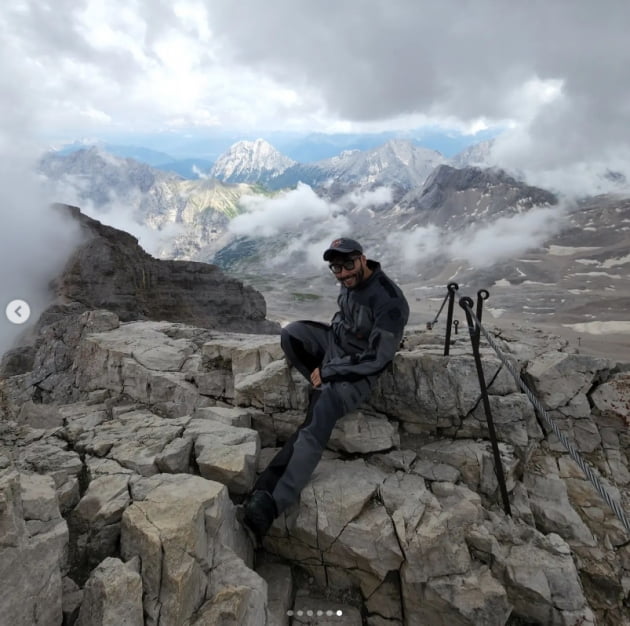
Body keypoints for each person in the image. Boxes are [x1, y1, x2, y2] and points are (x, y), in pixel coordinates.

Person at [240, 237, 409, 544]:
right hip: (335, 347)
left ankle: (270, 499)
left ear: (363, 258)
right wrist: (328, 362)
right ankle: (322, 389)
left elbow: (378, 358)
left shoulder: (389, 300)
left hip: (359, 370)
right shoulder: (350, 283)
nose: (342, 273)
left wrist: (331, 370)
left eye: (348, 264)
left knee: (319, 413)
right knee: (291, 334)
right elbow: (342, 319)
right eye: (336, 268)